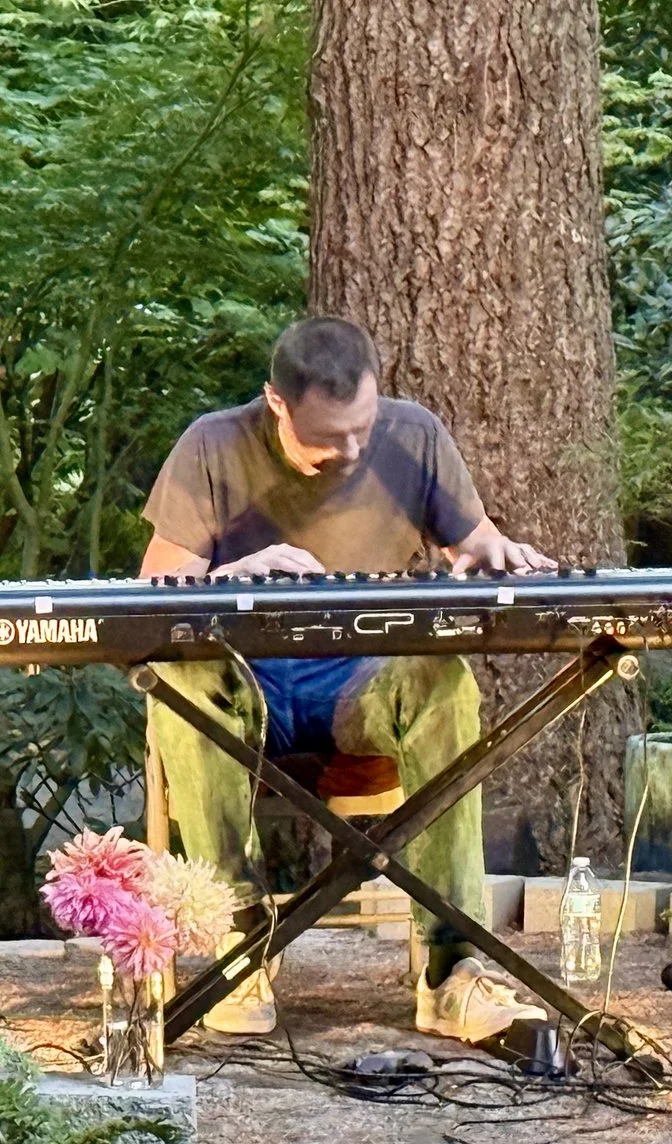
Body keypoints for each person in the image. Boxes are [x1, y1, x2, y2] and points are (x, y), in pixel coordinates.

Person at [139, 315, 553, 1040]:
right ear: (277, 404)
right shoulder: (212, 444)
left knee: (445, 684)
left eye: (362, 427)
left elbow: (474, 541)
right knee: (182, 688)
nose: (352, 448)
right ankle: (240, 945)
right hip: (245, 685)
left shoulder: (414, 435)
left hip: (359, 686)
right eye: (329, 436)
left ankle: (454, 971)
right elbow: (154, 590)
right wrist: (229, 575)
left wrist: (493, 555)